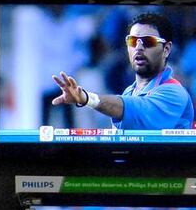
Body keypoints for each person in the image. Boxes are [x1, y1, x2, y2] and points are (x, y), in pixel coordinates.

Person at [51, 12, 194, 130]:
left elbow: (133, 109)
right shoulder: (129, 92)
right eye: (132, 41)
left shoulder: (175, 93)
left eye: (148, 41)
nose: (138, 47)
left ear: (166, 49)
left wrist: (86, 98)